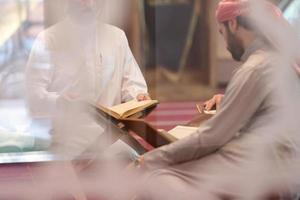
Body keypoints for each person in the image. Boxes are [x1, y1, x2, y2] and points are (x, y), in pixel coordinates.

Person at [133, 0, 300, 199]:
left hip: (267, 167)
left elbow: (212, 137)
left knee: (159, 175)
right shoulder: (274, 58)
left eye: (222, 33)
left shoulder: (256, 67)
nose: (226, 45)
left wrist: (148, 159)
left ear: (233, 24)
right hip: (283, 164)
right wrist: (229, 99)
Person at [26, 0, 150, 158]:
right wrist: (60, 101)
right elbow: (33, 95)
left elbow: (133, 83)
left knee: (144, 164)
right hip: (67, 140)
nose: (88, 3)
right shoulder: (48, 39)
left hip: (110, 136)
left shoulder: (116, 36)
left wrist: (138, 97)